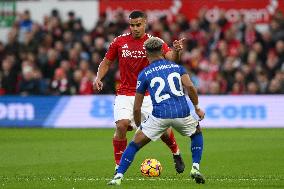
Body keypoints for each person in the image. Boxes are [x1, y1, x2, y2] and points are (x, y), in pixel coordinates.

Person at [93, 11, 186, 174]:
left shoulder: (153, 42)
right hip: (124, 94)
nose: (135, 28)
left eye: (138, 25)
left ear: (145, 24)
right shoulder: (119, 42)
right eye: (132, 25)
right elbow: (106, 62)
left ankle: (176, 153)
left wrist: (177, 51)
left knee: (163, 132)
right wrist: (98, 77)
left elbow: (171, 58)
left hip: (148, 95)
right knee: (121, 126)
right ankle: (118, 167)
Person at [108, 37, 206, 185]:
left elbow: (136, 107)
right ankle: (195, 168)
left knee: (134, 145)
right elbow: (190, 87)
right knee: (196, 133)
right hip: (182, 112)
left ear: (146, 54)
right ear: (162, 51)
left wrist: (141, 125)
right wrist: (197, 108)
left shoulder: (144, 74)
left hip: (160, 116)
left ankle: (118, 176)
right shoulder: (177, 67)